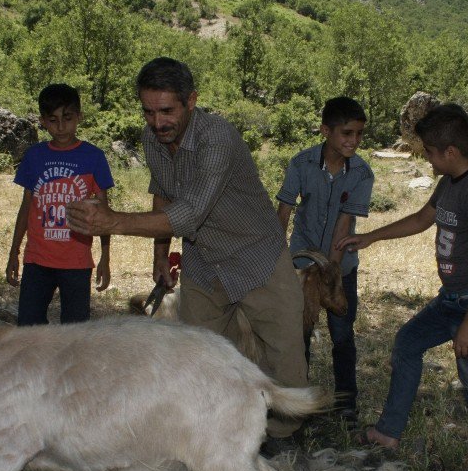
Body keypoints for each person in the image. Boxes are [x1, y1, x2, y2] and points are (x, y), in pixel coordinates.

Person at [66, 57, 307, 437]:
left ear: (191, 101)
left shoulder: (218, 138)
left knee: (285, 354)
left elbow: (191, 212)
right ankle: (220, 435)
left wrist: (113, 222)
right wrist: (160, 255)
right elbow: (163, 192)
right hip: (203, 260)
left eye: (167, 111)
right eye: (148, 111)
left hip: (257, 256)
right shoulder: (152, 139)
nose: (157, 122)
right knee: (204, 356)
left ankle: (283, 438)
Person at [336, 104, 468, 471]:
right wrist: (372, 236)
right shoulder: (449, 183)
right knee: (407, 343)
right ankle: (388, 432)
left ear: (450, 152)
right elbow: (421, 219)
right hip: (451, 298)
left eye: (430, 152)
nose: (426, 159)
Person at [277, 96, 374, 428]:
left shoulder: (361, 172)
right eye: (347, 133)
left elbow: (344, 225)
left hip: (339, 266)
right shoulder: (301, 163)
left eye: (359, 134)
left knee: (342, 333)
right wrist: (277, 260)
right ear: (325, 131)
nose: (354, 141)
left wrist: (330, 271)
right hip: (301, 267)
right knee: (298, 333)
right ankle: (299, 404)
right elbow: (285, 212)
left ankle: (346, 404)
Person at [7, 83, 113, 326]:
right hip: (37, 260)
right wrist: (14, 251)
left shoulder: (93, 157)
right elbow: (26, 207)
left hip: (76, 261)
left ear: (79, 117)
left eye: (67, 118)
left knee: (75, 334)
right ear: (43, 121)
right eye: (53, 119)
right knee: (29, 329)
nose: (61, 126)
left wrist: (106, 257)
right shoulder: (34, 156)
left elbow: (104, 213)